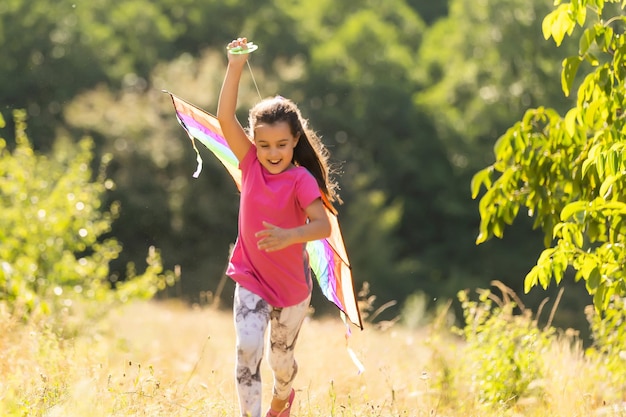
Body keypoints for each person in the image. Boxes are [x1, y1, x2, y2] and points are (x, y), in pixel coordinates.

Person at [216, 37, 341, 417]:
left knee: (280, 363)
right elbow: (224, 118)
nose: (272, 153)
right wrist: (235, 66)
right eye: (264, 144)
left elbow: (321, 227)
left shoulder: (301, 179)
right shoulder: (250, 162)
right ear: (255, 143)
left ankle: (283, 397)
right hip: (250, 276)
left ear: (295, 141)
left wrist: (289, 236)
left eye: (281, 145)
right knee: (247, 348)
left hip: (291, 290)